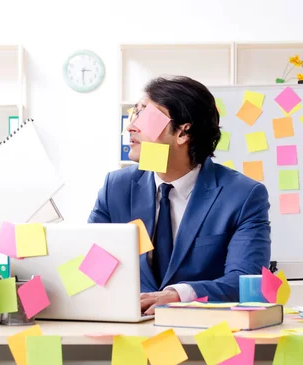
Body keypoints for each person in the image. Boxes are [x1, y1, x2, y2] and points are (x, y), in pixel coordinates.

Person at [88, 76, 271, 315]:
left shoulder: (244, 196)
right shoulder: (116, 187)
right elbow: (92, 264)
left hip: (203, 337)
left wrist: (178, 295)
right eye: (135, 114)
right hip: (129, 335)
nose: (131, 127)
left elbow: (245, 282)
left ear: (183, 133)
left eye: (146, 117)